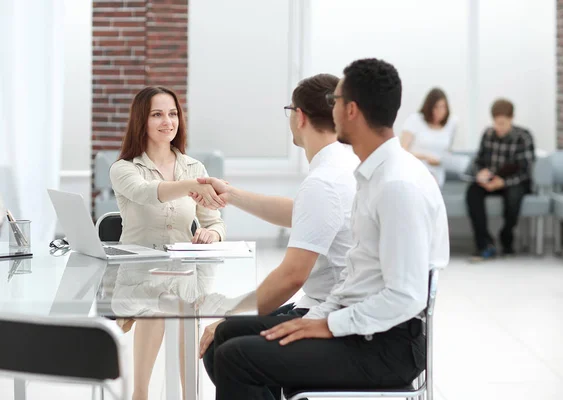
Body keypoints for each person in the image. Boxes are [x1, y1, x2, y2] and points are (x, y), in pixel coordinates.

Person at [208, 59, 449, 400]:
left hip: (386, 345)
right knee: (229, 337)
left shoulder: (397, 185)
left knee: (237, 357)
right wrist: (315, 318)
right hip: (361, 326)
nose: (328, 108)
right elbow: (354, 279)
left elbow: (406, 296)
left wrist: (325, 325)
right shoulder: (371, 174)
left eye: (334, 100)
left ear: (350, 110)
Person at [191, 74, 359, 398]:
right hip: (334, 305)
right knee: (228, 340)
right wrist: (232, 195)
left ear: (300, 117)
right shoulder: (343, 165)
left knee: (224, 343)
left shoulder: (324, 181)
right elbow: (301, 214)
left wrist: (228, 317)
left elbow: (291, 277)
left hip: (331, 314)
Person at [109, 86, 227, 400]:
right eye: (158, 114)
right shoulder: (124, 169)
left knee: (181, 300)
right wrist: (193, 186)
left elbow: (214, 221)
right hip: (138, 274)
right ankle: (141, 394)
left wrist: (211, 234)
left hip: (184, 271)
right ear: (141, 121)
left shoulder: (194, 168)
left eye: (173, 113)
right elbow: (148, 192)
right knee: (159, 301)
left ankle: (190, 394)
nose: (168, 121)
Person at [466, 98, 535, 261]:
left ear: (511, 118)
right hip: (491, 180)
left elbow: (526, 171)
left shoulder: (523, 137)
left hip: (514, 182)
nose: (499, 127)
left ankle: (506, 237)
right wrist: (480, 174)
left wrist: (503, 182)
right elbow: (478, 161)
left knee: (513, 196)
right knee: (472, 192)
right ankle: (484, 243)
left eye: (503, 123)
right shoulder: (488, 134)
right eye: (496, 123)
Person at [400, 87, 457, 186]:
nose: (439, 111)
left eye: (443, 107)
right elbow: (402, 150)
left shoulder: (451, 124)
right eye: (436, 107)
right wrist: (425, 157)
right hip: (415, 168)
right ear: (429, 107)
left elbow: (447, 151)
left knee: (431, 184)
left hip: (436, 171)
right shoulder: (415, 120)